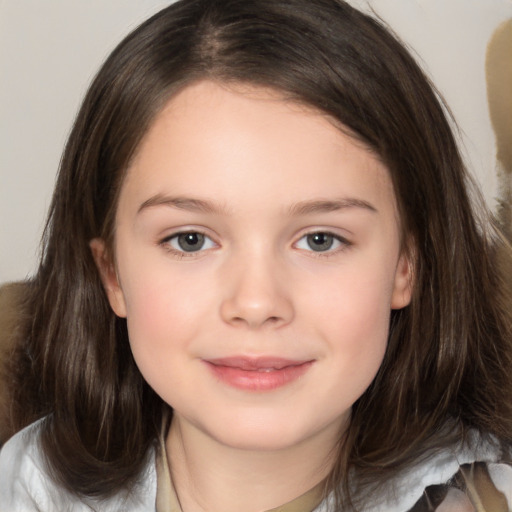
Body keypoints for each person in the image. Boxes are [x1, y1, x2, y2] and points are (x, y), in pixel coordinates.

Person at [1, 0, 512, 510]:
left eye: (320, 240)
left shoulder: (477, 499)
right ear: (111, 274)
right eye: (190, 240)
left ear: (406, 265)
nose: (256, 302)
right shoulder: (29, 486)